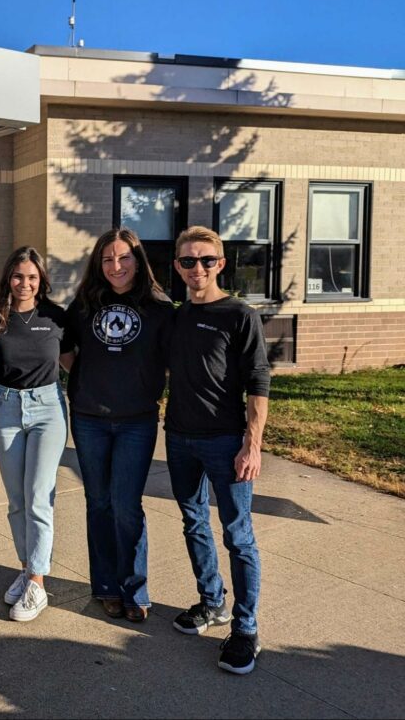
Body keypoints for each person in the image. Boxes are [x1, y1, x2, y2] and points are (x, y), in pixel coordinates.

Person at [166, 225, 270, 675]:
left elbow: (259, 381)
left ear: (221, 264)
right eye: (188, 261)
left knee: (238, 535)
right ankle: (212, 604)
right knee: (193, 523)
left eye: (206, 260)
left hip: (227, 441)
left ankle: (246, 628)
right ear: (178, 267)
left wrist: (253, 443)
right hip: (178, 437)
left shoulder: (240, 315)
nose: (197, 268)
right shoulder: (175, 316)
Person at [61, 228, 174, 624]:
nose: (116, 266)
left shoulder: (159, 309)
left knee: (127, 506)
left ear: (138, 261)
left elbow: (173, 360)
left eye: (124, 258)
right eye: (108, 259)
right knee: (99, 503)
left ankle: (135, 589)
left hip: (136, 422)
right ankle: (105, 586)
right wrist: (90, 380)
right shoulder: (85, 304)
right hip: (90, 419)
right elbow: (64, 350)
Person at [0, 246, 69, 622]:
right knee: (16, 499)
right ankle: (26, 567)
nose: (25, 283)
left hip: (48, 408)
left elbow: (74, 362)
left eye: (32, 277)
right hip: (5, 407)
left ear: (41, 280)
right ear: (9, 279)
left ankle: (38, 581)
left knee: (38, 496)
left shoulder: (55, 317)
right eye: (18, 276)